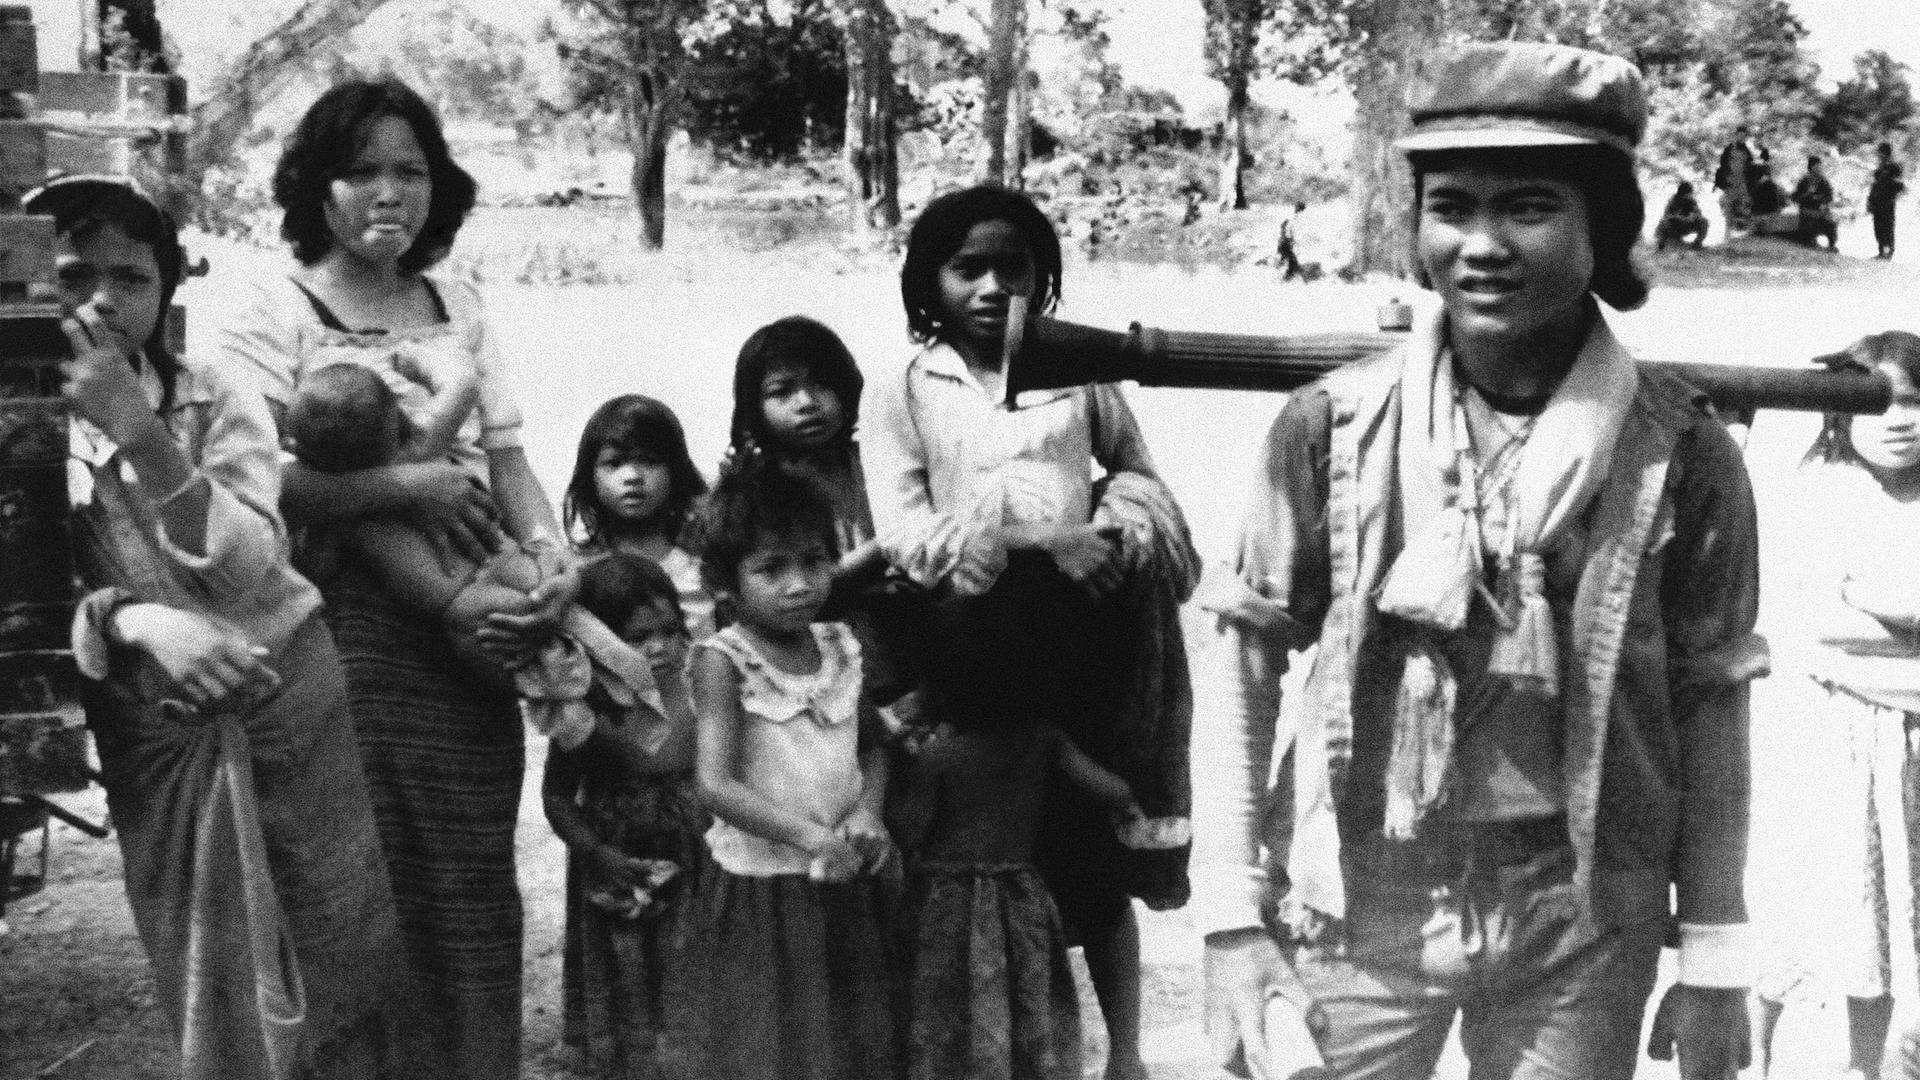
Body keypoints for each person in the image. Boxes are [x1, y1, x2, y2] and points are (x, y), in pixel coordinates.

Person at [1195, 41, 1762, 1079]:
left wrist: (1716, 950)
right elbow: (1240, 666)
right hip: (1359, 904)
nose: (1483, 245)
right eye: (1451, 207)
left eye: (1531, 209)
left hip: (1582, 915)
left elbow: (1711, 707)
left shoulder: (1683, 453)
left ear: (1608, 227)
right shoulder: (1331, 429)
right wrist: (1231, 920)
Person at [217, 78, 578, 1080]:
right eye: (363, 168)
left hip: (467, 638)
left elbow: (507, 460)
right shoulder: (270, 304)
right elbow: (251, 489)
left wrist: (552, 556)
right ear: (317, 184)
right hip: (337, 634)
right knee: (362, 885)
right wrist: (404, 483)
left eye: (410, 170)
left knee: (467, 878)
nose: (390, 190)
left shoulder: (456, 304)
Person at [38, 174, 404, 1078]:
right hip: (158, 727)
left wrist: (140, 431)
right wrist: (135, 621)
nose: (101, 301)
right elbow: (25, 602)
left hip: (287, 696)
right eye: (74, 274)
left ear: (166, 289)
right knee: (214, 982)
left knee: (339, 950)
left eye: (132, 277)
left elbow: (249, 562)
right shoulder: (17, 421)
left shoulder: (210, 397)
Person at [867, 183, 1201, 1080]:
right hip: (968, 649)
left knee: (1090, 862)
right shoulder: (907, 386)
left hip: (1080, 638)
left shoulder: (1081, 373)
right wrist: (1038, 540)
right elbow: (906, 533)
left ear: (1040, 278)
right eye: (964, 267)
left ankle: (1124, 1056)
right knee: (983, 861)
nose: (987, 287)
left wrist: (1120, 525)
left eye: (1010, 267)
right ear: (927, 281)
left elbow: (1139, 474)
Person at [677, 464, 897, 1080]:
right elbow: (715, 784)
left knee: (850, 1035)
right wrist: (807, 837)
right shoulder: (726, 661)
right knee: (773, 1041)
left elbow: (874, 747)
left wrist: (867, 812)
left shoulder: (840, 645)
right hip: (766, 885)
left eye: (814, 561)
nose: (799, 584)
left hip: (843, 872)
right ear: (727, 582)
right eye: (771, 569)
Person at [1751, 330, 1920, 1079]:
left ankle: (1868, 1064)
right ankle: (1747, 1056)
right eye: (1877, 401)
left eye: (1916, 401)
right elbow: (1815, 627)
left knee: (1879, 921)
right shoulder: (1818, 487)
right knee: (1794, 904)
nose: (1899, 419)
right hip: (1822, 732)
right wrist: (1878, 614)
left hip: (1905, 741)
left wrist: (1879, 607)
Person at [890, 709, 1144, 1080]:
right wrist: (1130, 806)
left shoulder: (939, 756)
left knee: (951, 1004)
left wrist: (902, 765)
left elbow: (907, 829)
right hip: (1019, 895)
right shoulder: (1043, 740)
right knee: (1027, 998)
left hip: (950, 901)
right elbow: (1111, 789)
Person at [542, 553, 708, 1080]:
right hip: (620, 857)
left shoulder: (703, 688)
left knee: (691, 957)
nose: (657, 647)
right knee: (628, 963)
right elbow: (558, 797)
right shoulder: (582, 711)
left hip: (695, 852)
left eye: (668, 630)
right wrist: (596, 854)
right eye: (637, 637)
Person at [563, 394, 714, 639]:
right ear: (590, 476)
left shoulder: (701, 566)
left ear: (675, 471)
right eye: (615, 463)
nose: (632, 475)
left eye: (649, 461)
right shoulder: (578, 571)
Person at [1715, 123, 1769, 232]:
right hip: (1730, 183)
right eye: (1740, 135)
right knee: (1728, 208)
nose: (1742, 138)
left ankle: (1744, 231)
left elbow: (1752, 166)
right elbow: (1722, 166)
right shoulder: (1729, 149)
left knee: (1745, 206)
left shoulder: (1747, 151)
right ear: (1736, 136)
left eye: (1744, 136)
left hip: (1742, 183)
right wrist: (1720, 182)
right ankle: (1727, 233)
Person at [1792, 155, 1838, 250]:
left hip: (1821, 208)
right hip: (1808, 208)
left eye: (1820, 165)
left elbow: (1829, 196)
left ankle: (1832, 245)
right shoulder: (1804, 180)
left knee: (1831, 222)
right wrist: (1807, 194)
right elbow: (1796, 197)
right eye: (1817, 166)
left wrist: (1824, 203)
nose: (1819, 168)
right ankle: (1810, 241)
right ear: (1812, 167)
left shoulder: (1823, 181)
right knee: (1811, 219)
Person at [1869, 141, 1905, 259]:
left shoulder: (1894, 167)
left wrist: (1892, 193)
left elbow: (1900, 185)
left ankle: (1888, 252)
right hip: (1877, 201)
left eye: (1880, 153)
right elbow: (1874, 185)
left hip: (1887, 202)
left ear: (1885, 153)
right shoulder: (1880, 167)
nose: (1878, 155)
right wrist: (1870, 201)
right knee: (1878, 227)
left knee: (1887, 227)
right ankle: (1881, 251)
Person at [1656, 181, 1709, 250]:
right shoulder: (1673, 201)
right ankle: (1662, 244)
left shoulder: (1692, 201)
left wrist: (1692, 216)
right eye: (1688, 193)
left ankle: (1697, 244)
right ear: (1682, 193)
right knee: (1664, 223)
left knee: (1704, 221)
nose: (1690, 195)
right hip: (1675, 227)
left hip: (1687, 225)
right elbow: (1667, 216)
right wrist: (1680, 218)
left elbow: (1698, 213)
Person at [1277, 201, 1307, 280]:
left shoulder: (1294, 217)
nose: (1296, 207)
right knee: (1292, 261)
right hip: (1286, 242)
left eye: (1297, 207)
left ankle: (1286, 277)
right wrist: (1290, 239)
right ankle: (1285, 279)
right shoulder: (1294, 217)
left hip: (1285, 242)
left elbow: (1286, 228)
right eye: (1296, 206)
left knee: (1290, 260)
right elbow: (1287, 230)